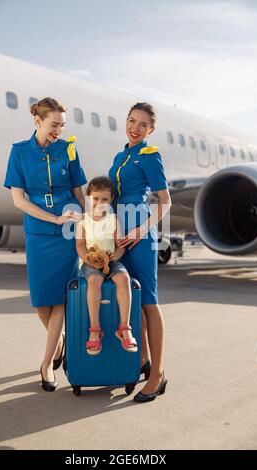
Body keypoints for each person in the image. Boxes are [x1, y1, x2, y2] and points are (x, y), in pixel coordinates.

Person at [3, 97, 87, 392]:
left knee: (61, 299)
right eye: (54, 125)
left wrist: (85, 219)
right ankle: (60, 341)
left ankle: (46, 364)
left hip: (68, 230)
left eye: (62, 126)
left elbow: (78, 190)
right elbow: (18, 199)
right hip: (39, 232)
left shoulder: (69, 149)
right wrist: (51, 219)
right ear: (37, 121)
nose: (58, 131)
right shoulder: (19, 152)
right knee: (41, 302)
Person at [108, 102, 172, 402]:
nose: (135, 127)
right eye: (131, 121)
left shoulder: (149, 155)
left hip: (140, 233)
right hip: (120, 231)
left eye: (142, 125)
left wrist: (141, 230)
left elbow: (165, 201)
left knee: (148, 300)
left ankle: (157, 374)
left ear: (151, 130)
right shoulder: (121, 155)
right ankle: (143, 361)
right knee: (130, 297)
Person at [76, 176, 138, 356]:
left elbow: (120, 246)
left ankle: (124, 328)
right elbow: (80, 245)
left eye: (104, 199)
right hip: (90, 262)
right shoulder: (83, 220)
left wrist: (115, 256)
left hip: (111, 261)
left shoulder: (113, 219)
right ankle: (95, 329)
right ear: (89, 198)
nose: (100, 202)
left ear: (111, 199)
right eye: (96, 198)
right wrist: (87, 259)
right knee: (94, 280)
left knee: (124, 278)